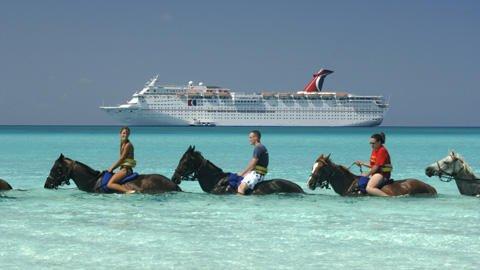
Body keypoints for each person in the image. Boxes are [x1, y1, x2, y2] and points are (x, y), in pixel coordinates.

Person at [354, 132, 392, 197]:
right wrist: (362, 163)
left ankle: (388, 198)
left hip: (382, 174)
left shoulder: (382, 151)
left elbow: (376, 167)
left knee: (369, 188)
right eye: (370, 143)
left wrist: (367, 174)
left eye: (373, 143)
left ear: (379, 142)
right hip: (376, 172)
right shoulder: (374, 150)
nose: (371, 145)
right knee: (361, 179)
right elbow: (373, 165)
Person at [237, 130, 269, 195]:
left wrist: (242, 173)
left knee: (241, 188)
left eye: (250, 137)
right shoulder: (262, 147)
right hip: (258, 173)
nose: (249, 139)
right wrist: (247, 173)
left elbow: (252, 164)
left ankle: (241, 204)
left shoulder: (258, 148)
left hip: (257, 174)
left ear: (256, 138)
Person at [107, 126, 136, 194]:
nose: (125, 135)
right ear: (120, 134)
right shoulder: (122, 144)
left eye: (127, 133)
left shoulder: (128, 145)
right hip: (122, 169)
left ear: (129, 135)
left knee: (110, 184)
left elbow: (122, 159)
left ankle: (128, 191)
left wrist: (112, 168)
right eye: (123, 133)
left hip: (126, 170)